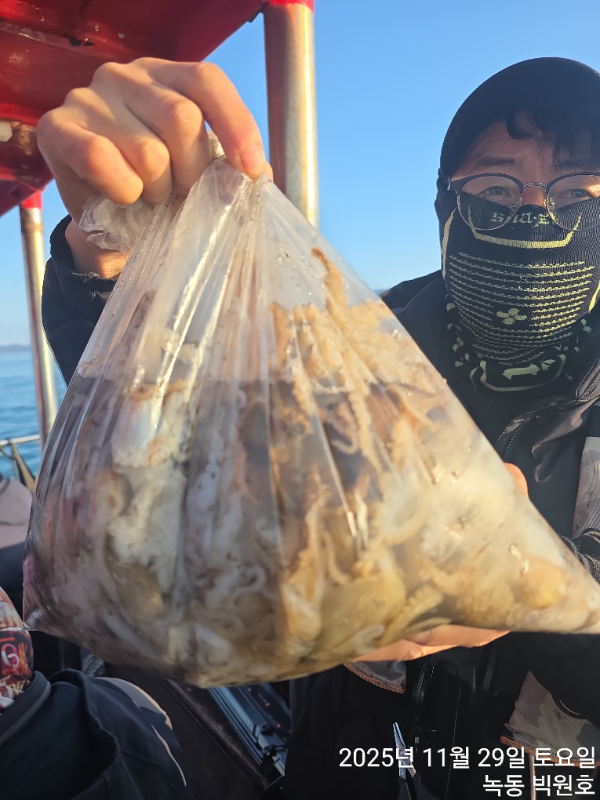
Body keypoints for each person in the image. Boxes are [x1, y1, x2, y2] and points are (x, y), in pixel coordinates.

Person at [36, 56, 600, 799]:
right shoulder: (349, 342)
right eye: (495, 188)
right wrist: (108, 247)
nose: (534, 216)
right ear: (445, 208)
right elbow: (172, 424)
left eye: (580, 194)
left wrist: (532, 588)